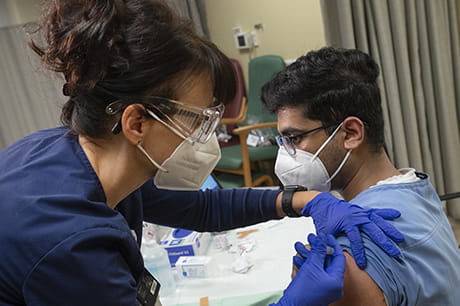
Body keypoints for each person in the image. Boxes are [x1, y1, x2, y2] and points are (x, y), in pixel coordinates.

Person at [0, 1, 403, 305]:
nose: (209, 136)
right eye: (199, 120)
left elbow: (201, 210)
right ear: (136, 123)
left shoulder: (74, 153)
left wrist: (304, 200)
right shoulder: (70, 244)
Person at [261, 47, 460, 305]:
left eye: (294, 138)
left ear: (351, 133)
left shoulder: (350, 260)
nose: (286, 154)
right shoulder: (413, 185)